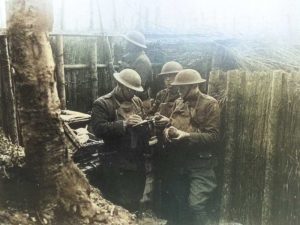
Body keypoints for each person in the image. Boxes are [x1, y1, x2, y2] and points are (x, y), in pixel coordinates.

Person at [155, 69, 220, 225]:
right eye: (179, 87)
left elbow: (214, 136)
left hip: (201, 164)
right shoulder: (179, 102)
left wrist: (187, 136)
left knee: (196, 205)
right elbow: (173, 124)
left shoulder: (210, 104)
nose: (179, 90)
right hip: (179, 162)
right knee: (179, 203)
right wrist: (166, 129)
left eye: (183, 87)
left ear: (194, 86)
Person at [90, 68, 146, 212]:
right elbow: (98, 129)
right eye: (130, 90)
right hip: (115, 161)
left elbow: (144, 126)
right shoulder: (102, 103)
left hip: (136, 159)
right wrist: (124, 124)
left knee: (136, 196)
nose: (133, 94)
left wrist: (143, 123)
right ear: (120, 86)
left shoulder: (137, 101)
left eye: (135, 91)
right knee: (119, 201)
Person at [120, 31, 153, 114]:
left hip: (140, 103)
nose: (125, 44)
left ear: (134, 45)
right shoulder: (134, 58)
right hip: (133, 101)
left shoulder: (142, 61)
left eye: (128, 42)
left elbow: (139, 87)